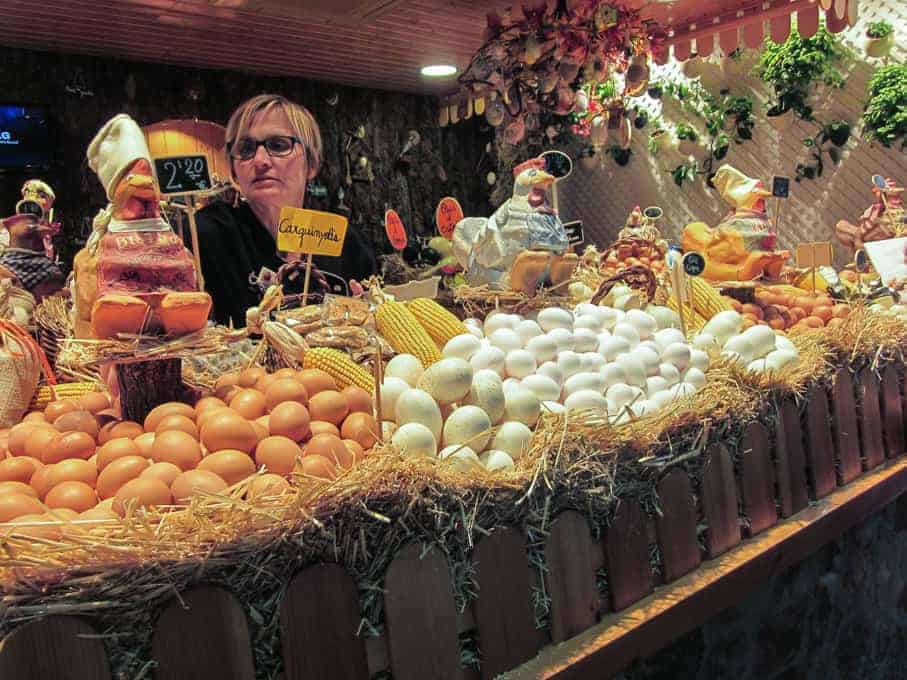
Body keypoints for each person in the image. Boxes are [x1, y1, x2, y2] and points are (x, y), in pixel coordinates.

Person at [193, 94, 376, 328]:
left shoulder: (347, 244)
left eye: (278, 145)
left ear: (311, 163)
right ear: (235, 172)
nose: (260, 160)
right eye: (245, 149)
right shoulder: (208, 234)